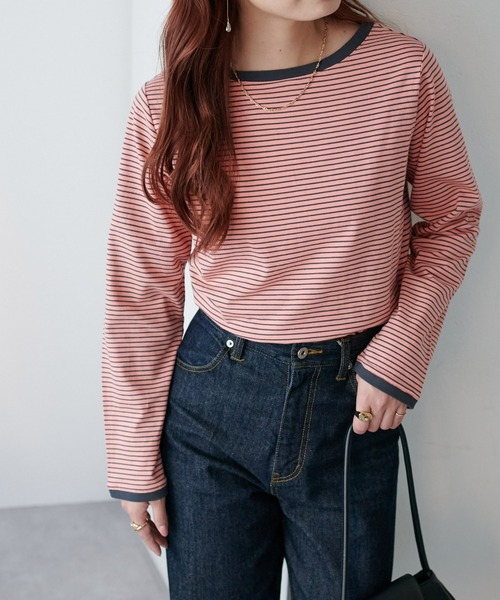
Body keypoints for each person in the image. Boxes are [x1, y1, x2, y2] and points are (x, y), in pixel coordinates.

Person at [102, 1, 481, 598]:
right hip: (211, 404)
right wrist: (131, 453)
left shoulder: (401, 68)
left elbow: (451, 219)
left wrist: (402, 350)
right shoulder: (168, 101)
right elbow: (140, 288)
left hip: (352, 404)